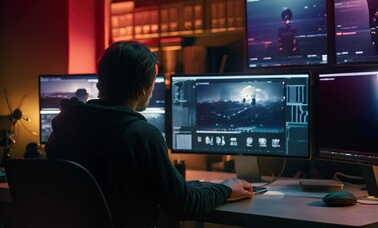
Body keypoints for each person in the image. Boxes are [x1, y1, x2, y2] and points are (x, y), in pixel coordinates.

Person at [45, 41, 253, 227]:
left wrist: (191, 187)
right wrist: (226, 189)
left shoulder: (64, 127)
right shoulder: (142, 135)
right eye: (153, 83)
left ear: (101, 82)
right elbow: (183, 205)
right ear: (143, 88)